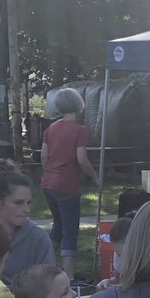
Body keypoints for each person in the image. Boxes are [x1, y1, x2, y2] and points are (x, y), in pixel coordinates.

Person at [40, 87, 100, 278]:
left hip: (48, 182)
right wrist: (96, 178)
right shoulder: (79, 130)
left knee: (58, 223)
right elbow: (82, 159)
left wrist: (50, 171)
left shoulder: (50, 129)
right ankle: (70, 276)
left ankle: (44, 265)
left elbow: (44, 157)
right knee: (70, 229)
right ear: (78, 105)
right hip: (66, 185)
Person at [0, 171, 53, 282]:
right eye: (18, 203)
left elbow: (48, 284)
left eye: (29, 203)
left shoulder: (37, 238)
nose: (26, 210)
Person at [96, 215, 133, 290]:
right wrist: (109, 282)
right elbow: (117, 278)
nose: (121, 257)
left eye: (125, 254)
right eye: (118, 254)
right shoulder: (118, 254)